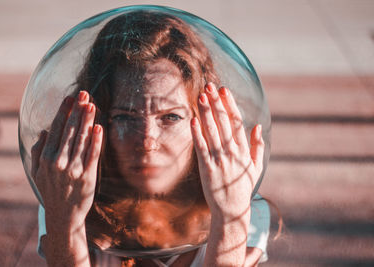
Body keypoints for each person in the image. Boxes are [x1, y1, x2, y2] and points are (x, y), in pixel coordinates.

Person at [31, 10, 270, 267]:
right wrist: (63, 222)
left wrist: (231, 216)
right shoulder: (65, 199)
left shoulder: (244, 206)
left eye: (170, 117)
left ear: (205, 124)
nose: (147, 142)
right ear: (97, 123)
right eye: (124, 117)